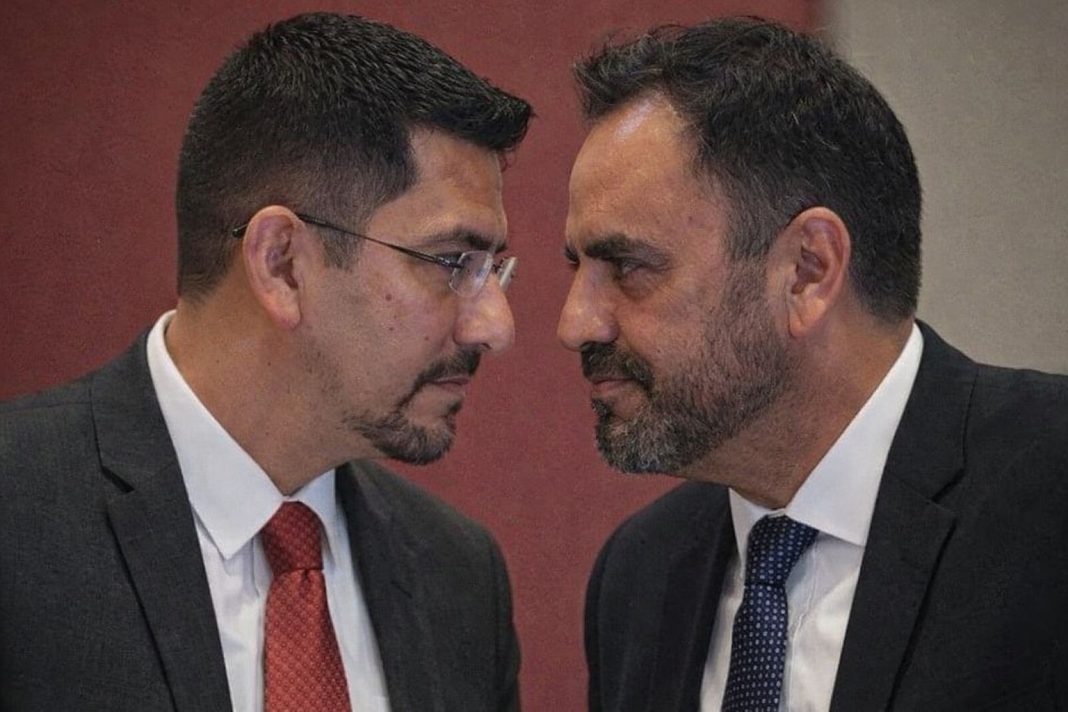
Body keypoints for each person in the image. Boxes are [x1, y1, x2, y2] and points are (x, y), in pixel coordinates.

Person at [0, 12, 531, 712]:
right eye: (452, 262)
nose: (496, 325)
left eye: (494, 269)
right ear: (282, 263)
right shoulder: (18, 512)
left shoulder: (458, 576)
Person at [559, 17, 1068, 712]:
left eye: (627, 266)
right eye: (578, 267)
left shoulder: (1048, 491)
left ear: (807, 270)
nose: (575, 323)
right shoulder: (642, 573)